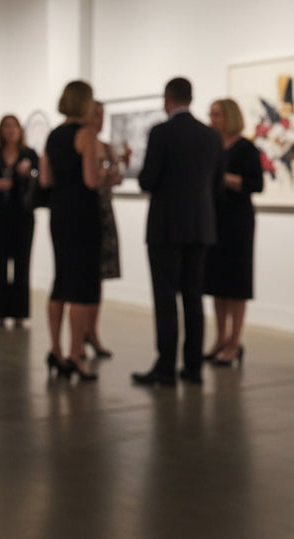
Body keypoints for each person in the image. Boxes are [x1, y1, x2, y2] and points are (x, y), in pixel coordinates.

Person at [132, 77, 223, 387]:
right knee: (194, 298)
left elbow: (147, 180)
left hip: (165, 228)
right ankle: (194, 367)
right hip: (200, 227)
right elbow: (217, 182)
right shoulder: (211, 136)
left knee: (166, 299)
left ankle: (166, 368)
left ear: (167, 99)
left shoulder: (161, 133)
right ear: (191, 98)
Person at [40, 80, 103, 381]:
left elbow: (46, 180)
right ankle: (76, 354)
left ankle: (56, 350)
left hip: (59, 213)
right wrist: (108, 174)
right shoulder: (86, 133)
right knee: (81, 287)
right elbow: (92, 180)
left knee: (61, 280)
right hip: (83, 215)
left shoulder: (53, 136)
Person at [204, 98, 264, 367]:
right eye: (211, 114)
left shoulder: (246, 149)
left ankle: (234, 341)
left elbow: (255, 184)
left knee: (237, 285)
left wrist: (223, 177)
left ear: (229, 117)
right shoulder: (214, 147)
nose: (212, 119)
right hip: (215, 218)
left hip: (238, 221)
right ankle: (220, 337)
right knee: (217, 283)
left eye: (216, 114)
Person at [0, 115, 39, 328]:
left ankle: (20, 313)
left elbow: (39, 179)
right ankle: (0, 313)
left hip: (23, 215)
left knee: (22, 264)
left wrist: (27, 173)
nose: (10, 130)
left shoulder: (29, 154)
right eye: (6, 126)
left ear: (20, 130)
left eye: (13, 126)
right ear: (1, 131)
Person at [86, 101, 129, 357]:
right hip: (87, 215)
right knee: (85, 278)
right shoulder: (84, 146)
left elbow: (117, 178)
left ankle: (92, 331)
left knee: (99, 277)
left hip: (104, 213)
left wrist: (116, 169)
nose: (100, 120)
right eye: (96, 115)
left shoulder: (106, 147)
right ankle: (81, 334)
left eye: (103, 115)